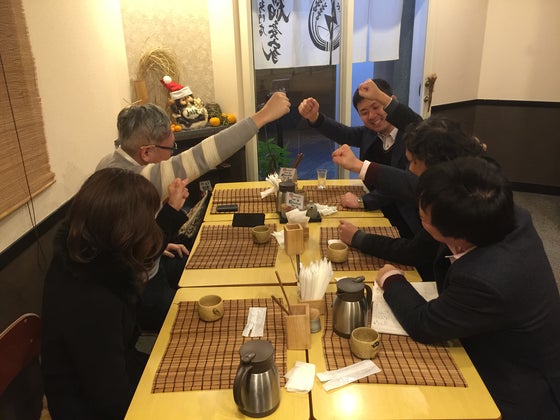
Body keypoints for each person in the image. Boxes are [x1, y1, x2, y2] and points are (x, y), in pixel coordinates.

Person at [375, 157, 560, 419]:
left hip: (514, 386)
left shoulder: (486, 278)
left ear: (456, 234)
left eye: (423, 216)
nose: (419, 213)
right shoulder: (504, 217)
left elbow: (423, 324)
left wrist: (392, 278)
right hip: (499, 338)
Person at [97, 92, 291, 330]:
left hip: (138, 263)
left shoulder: (107, 162)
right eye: (170, 149)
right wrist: (263, 116)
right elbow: (205, 154)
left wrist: (156, 245)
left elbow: (124, 235)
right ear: (146, 152)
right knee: (196, 318)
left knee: (198, 259)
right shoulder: (138, 178)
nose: (173, 155)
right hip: (137, 288)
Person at [41, 168, 189, 419]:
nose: (151, 230)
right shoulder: (91, 298)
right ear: (124, 233)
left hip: (111, 379)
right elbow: (112, 400)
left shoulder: (86, 257)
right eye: (147, 222)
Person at [332, 115, 487, 280]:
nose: (410, 170)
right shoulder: (463, 182)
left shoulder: (458, 205)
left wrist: (359, 238)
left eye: (413, 162)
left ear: (438, 165)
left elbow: (415, 252)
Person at [298, 78, 422, 237]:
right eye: (364, 112)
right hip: (377, 211)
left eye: (376, 107)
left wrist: (362, 201)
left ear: (391, 102)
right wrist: (315, 117)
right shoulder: (371, 133)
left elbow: (404, 184)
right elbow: (344, 133)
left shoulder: (414, 139)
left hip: (407, 222)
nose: (372, 115)